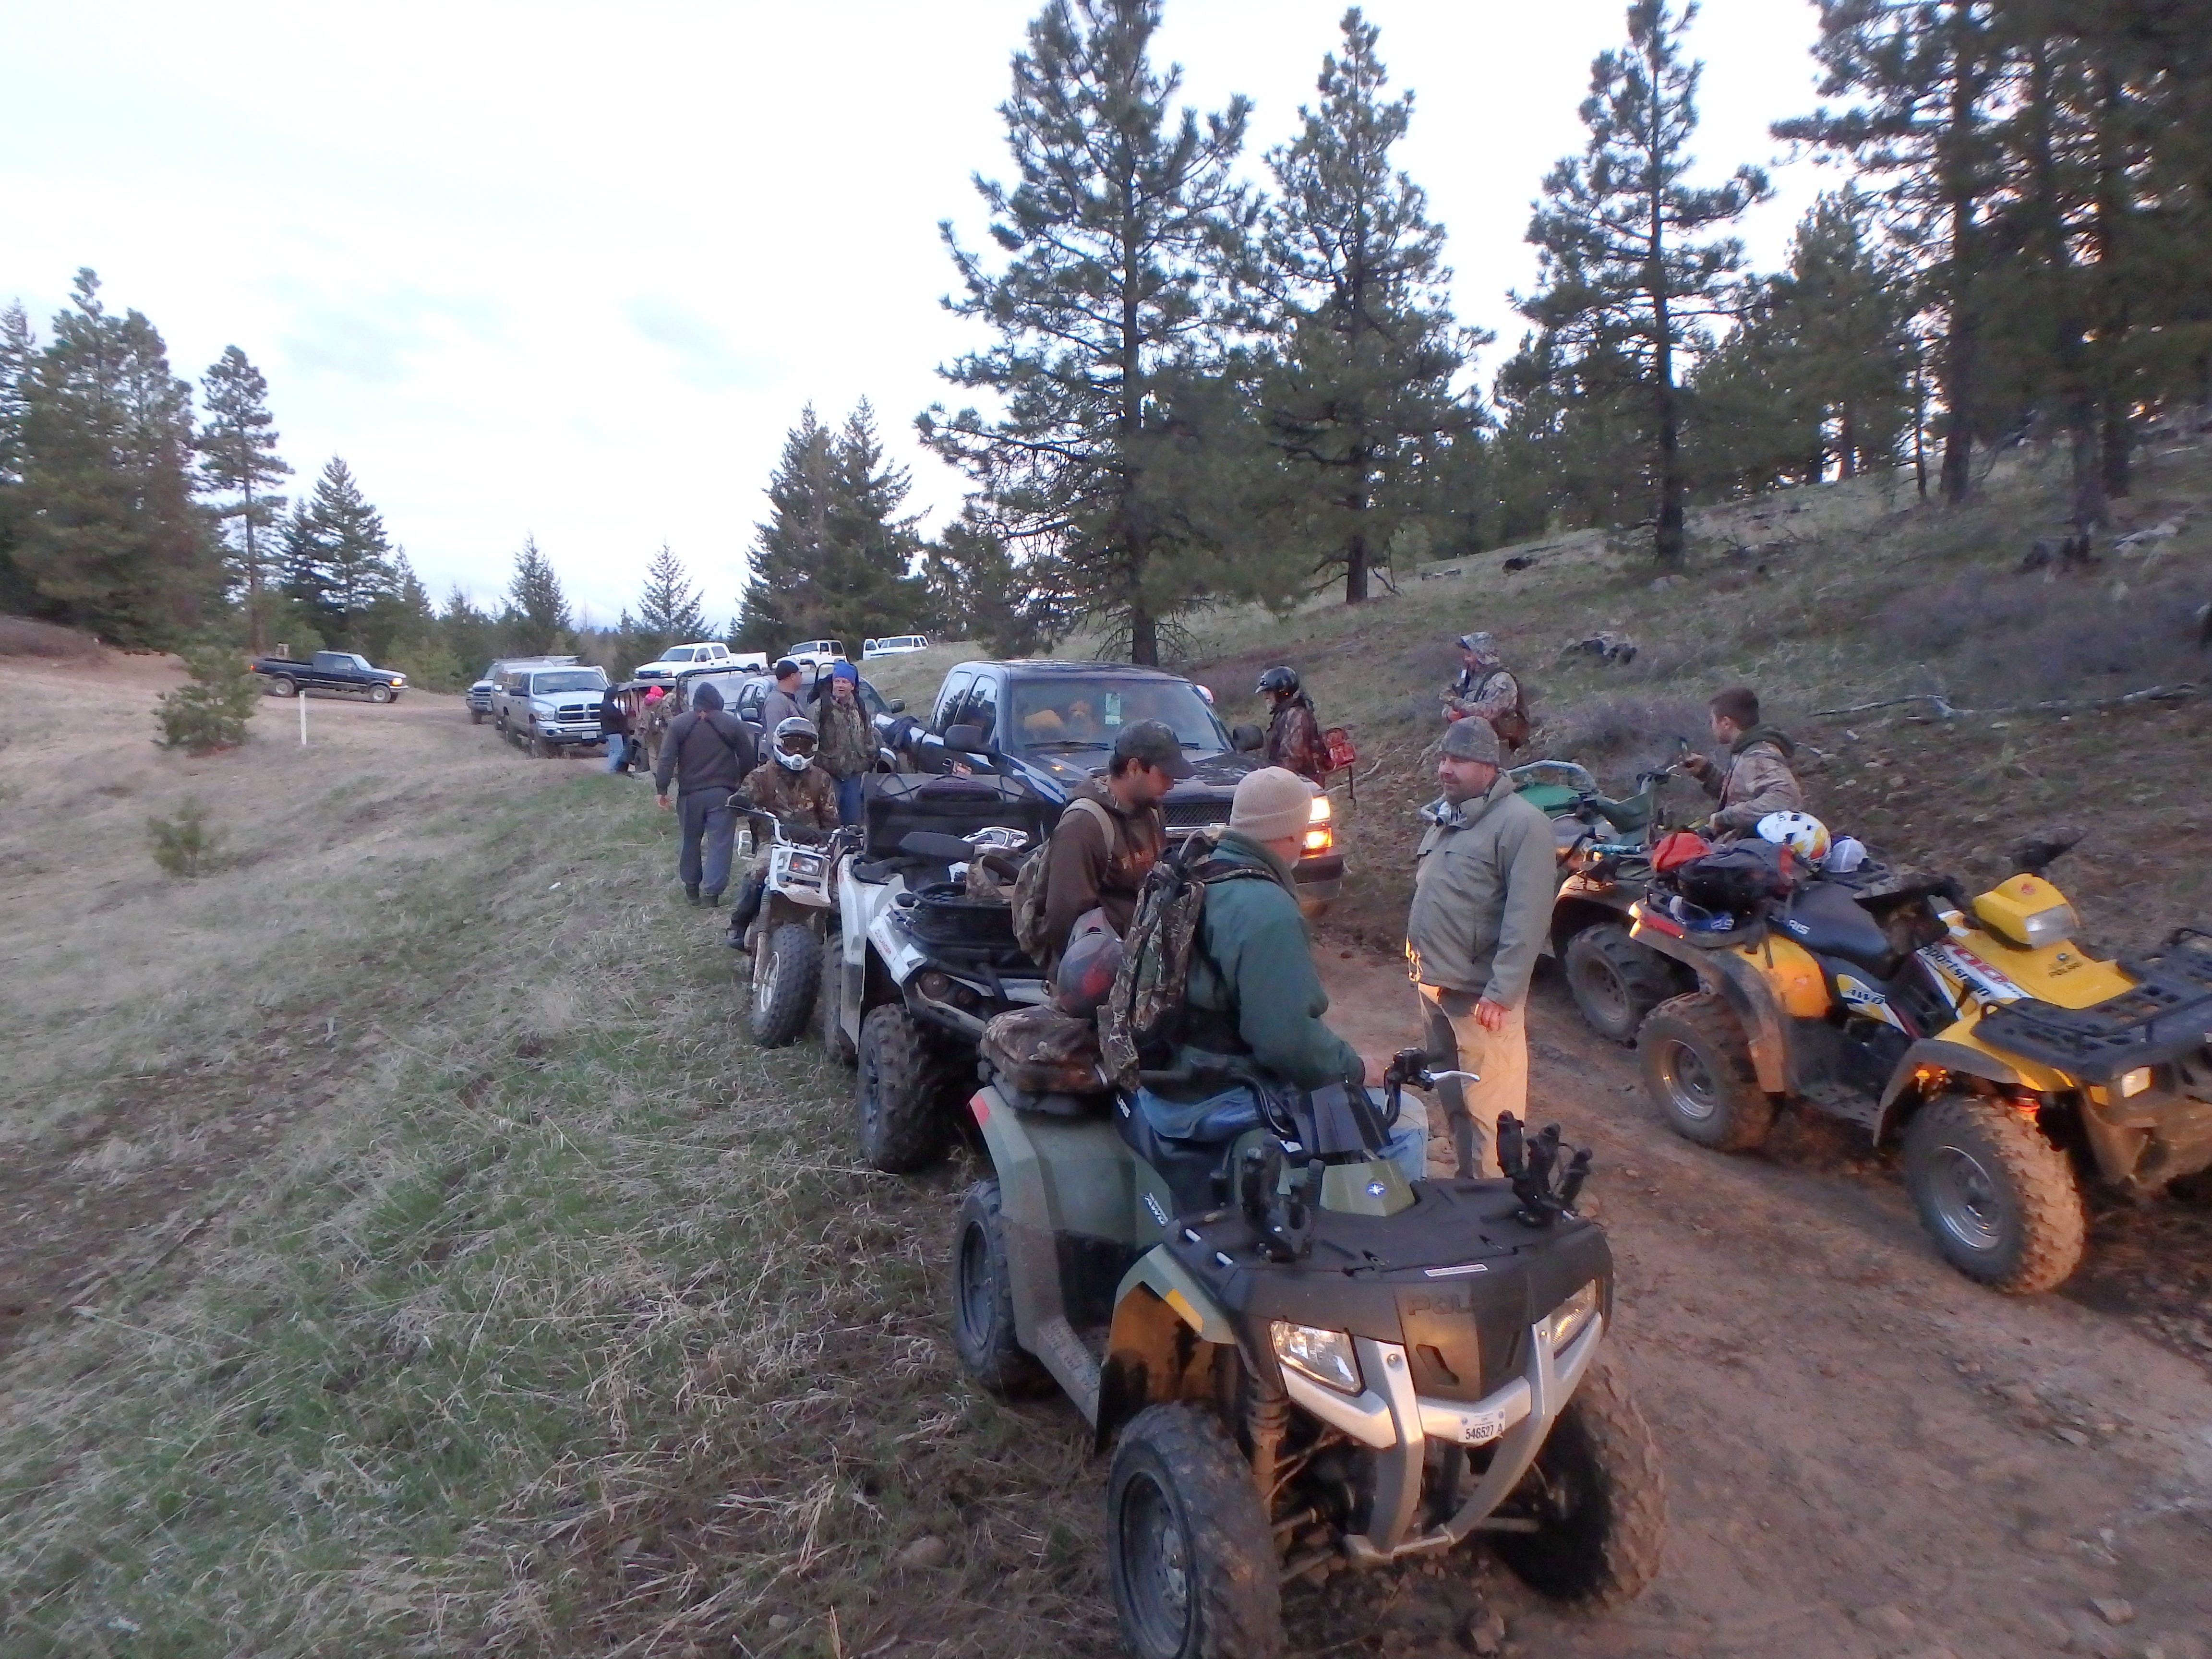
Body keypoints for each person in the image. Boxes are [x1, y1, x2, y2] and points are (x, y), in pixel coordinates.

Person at [1142, 767, 1426, 1185]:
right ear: (1293, 833)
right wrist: (1354, 1068)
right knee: (1405, 1121)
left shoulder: (1194, 870)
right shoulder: (1266, 910)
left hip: (1169, 1079)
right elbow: (1285, 1040)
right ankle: (1393, 1225)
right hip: (1217, 1097)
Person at [1405, 717, 1554, 1179]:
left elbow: (1529, 915)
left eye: (1459, 760)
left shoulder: (1522, 824)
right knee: (1454, 1101)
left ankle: (1497, 1199)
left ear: (1489, 766)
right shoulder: (1450, 815)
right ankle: (1469, 1189)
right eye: (1443, 758)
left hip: (1481, 999)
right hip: (1436, 984)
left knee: (1492, 1113)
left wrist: (1503, 991)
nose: (1445, 769)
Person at [1038, 718, 1182, 975]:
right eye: (1165, 775)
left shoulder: (1152, 811)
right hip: (1095, 974)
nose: (1171, 784)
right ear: (1134, 768)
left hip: (1139, 963)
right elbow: (1063, 920)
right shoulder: (1083, 826)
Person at [653, 682, 758, 905]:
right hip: (723, 793)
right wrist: (742, 784)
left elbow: (666, 758)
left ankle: (692, 890)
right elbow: (748, 758)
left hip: (689, 795)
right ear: (717, 702)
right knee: (720, 843)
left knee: (690, 841)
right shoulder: (732, 724)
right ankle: (712, 894)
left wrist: (662, 789)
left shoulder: (679, 724)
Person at [1681, 686, 1805, 840]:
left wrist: (1724, 818)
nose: (1711, 726)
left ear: (1726, 723)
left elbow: (1785, 798)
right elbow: (1746, 795)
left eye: (1712, 720)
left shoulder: (1758, 754)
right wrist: (1708, 773)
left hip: (1753, 849)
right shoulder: (1748, 751)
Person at [1444, 632, 1530, 757]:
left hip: (1496, 748)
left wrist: (1455, 703)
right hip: (1469, 744)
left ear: (1482, 655)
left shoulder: (1503, 681)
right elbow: (1451, 699)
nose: (1466, 660)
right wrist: (1449, 714)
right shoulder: (1468, 679)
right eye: (1465, 655)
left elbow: (1486, 713)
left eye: (1469, 655)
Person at [815, 670, 874, 828]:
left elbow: (869, 735)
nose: (840, 685)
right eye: (838, 681)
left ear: (852, 686)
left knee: (853, 825)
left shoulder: (860, 707)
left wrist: (869, 758)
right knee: (829, 823)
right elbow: (811, 739)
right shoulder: (821, 707)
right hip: (828, 776)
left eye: (845, 682)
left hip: (854, 777)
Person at [1256, 666, 1326, 783]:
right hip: (1289, 782)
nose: (1265, 697)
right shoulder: (1283, 714)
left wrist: (1271, 779)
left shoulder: (1297, 715)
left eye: (1269, 692)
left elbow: (1293, 758)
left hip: (1299, 785)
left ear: (1281, 691)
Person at [760, 659, 805, 735]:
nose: (802, 678)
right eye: (800, 674)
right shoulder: (776, 702)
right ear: (793, 677)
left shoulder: (789, 698)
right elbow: (774, 734)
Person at [637, 684, 673, 775]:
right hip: (660, 732)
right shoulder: (663, 703)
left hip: (647, 731)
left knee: (652, 753)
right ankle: (662, 772)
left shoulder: (646, 703)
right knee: (662, 753)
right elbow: (669, 719)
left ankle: (654, 772)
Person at [601, 684, 635, 774]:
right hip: (613, 731)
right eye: (615, 695)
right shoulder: (608, 705)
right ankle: (611, 769)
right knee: (618, 750)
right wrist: (622, 715)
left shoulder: (606, 704)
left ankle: (609, 768)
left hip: (609, 731)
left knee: (613, 750)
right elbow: (615, 716)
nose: (616, 697)